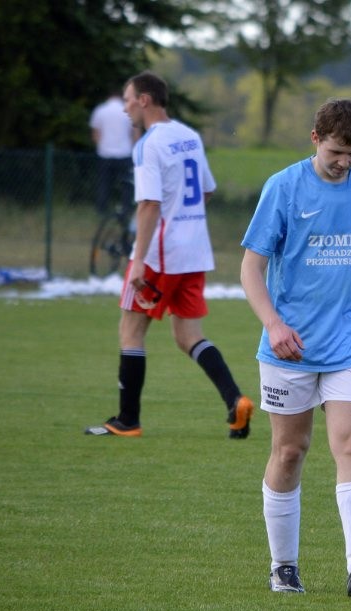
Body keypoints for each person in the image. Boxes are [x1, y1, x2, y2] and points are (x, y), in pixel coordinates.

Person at [239, 98, 351, 598]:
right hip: (289, 348)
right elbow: (250, 268)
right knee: (289, 452)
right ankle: (283, 566)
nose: (344, 162)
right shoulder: (283, 187)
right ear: (315, 139)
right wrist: (274, 324)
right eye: (335, 152)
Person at [84, 71, 252, 440]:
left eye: (128, 99)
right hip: (194, 251)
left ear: (144, 100)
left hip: (160, 255)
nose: (125, 107)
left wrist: (138, 261)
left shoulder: (148, 144)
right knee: (188, 335)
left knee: (130, 331)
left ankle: (128, 420)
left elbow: (149, 204)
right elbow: (206, 190)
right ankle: (235, 400)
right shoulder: (188, 135)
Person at [90, 88, 138, 217]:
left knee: (104, 183)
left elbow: (95, 133)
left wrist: (101, 146)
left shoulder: (100, 110)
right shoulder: (128, 110)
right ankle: (126, 208)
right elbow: (135, 133)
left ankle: (102, 209)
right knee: (127, 184)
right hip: (124, 153)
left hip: (105, 154)